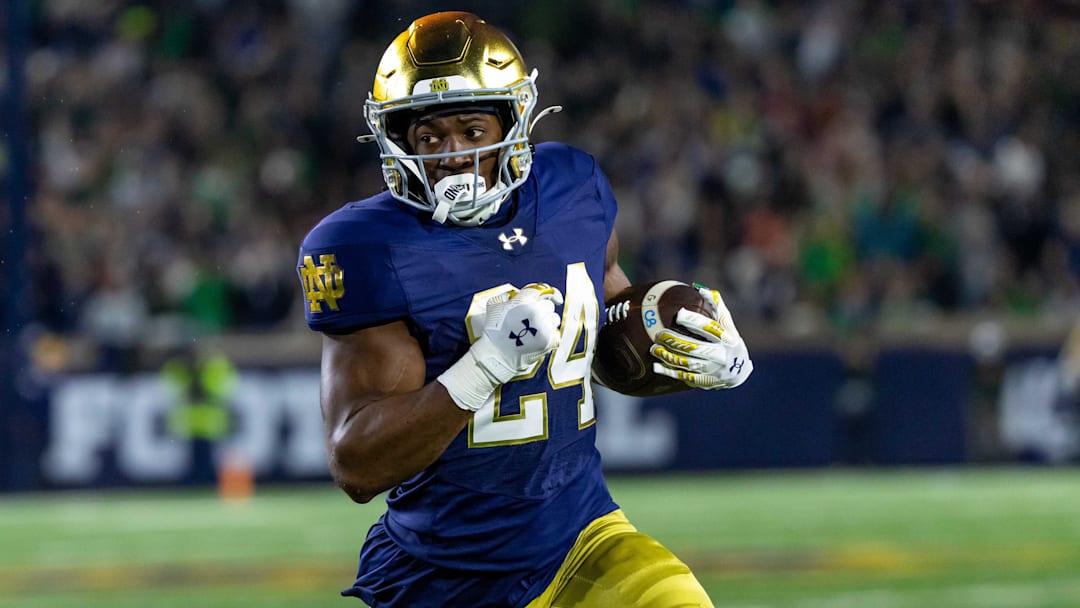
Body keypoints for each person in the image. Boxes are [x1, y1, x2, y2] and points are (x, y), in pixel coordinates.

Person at [296, 11, 753, 607]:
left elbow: (606, 343)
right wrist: (484, 365)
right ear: (397, 141)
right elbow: (357, 464)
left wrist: (686, 349)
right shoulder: (366, 248)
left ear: (514, 121)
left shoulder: (573, 188)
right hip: (439, 573)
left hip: (581, 537)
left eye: (471, 129)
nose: (452, 154)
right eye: (429, 137)